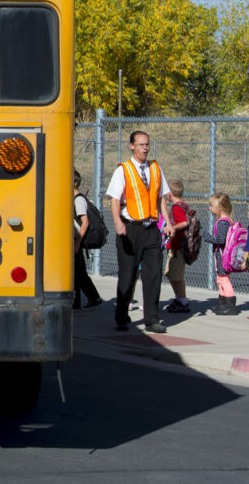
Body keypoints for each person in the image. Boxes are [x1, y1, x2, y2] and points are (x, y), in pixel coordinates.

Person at [106, 131, 170, 333]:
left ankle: (152, 319)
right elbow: (115, 199)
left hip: (151, 228)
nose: (145, 148)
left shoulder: (155, 168)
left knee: (153, 274)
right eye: (141, 144)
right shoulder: (123, 170)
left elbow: (161, 198)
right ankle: (122, 316)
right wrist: (117, 222)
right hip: (130, 228)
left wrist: (167, 222)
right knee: (128, 274)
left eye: (147, 144)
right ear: (132, 146)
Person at [200, 193, 239, 315]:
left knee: (224, 279)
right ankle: (222, 304)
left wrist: (208, 237)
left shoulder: (223, 222)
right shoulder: (226, 220)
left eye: (212, 206)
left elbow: (220, 240)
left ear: (220, 207)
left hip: (223, 256)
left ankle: (230, 306)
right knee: (221, 279)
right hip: (223, 255)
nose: (210, 208)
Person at [72, 169, 103, 309]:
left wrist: (78, 242)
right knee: (77, 273)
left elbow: (85, 222)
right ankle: (81, 300)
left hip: (77, 239)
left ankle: (92, 297)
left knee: (79, 273)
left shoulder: (78, 200)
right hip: (74, 239)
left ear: (75, 183)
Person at [162, 179, 192, 313]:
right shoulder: (181, 205)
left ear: (170, 194)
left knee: (176, 275)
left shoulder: (177, 207)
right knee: (170, 273)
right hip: (174, 246)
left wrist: (172, 227)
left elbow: (184, 223)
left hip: (178, 247)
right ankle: (178, 298)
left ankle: (183, 301)